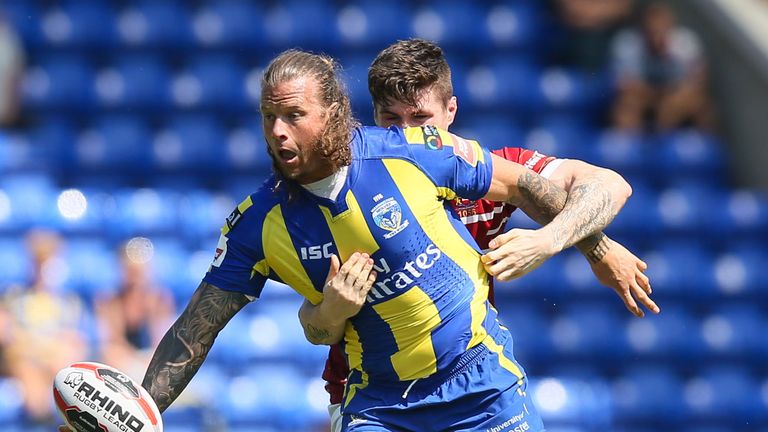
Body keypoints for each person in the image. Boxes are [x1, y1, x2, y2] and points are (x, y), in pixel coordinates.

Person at [140, 49, 633, 431]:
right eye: (270, 117)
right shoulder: (259, 223)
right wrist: (140, 410)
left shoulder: (429, 155)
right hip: (374, 401)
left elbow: (580, 185)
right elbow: (196, 331)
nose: (277, 132)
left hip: (480, 384)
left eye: (293, 116)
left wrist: (590, 247)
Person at [306, 38, 659, 432]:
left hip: (471, 390)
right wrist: (332, 309)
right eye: (391, 120)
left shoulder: (485, 173)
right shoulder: (338, 193)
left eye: (420, 119)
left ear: (451, 110)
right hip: (374, 402)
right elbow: (315, 325)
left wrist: (557, 241)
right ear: (373, 115)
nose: (406, 137)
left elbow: (609, 184)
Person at [2, 229, 88, 425]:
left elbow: (74, 340)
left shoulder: (68, 302)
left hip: (52, 362)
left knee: (63, 369)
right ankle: (40, 418)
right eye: (38, 262)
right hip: (25, 360)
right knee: (28, 372)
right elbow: (9, 337)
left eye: (48, 262)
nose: (43, 269)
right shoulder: (14, 296)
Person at [611, 2, 714, 131]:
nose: (656, 37)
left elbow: (698, 82)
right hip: (643, 96)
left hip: (675, 95)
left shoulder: (687, 43)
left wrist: (674, 97)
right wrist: (655, 95)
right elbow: (623, 85)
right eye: (652, 31)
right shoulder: (628, 44)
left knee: (700, 105)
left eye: (661, 30)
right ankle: (629, 148)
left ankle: (698, 146)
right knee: (626, 107)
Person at [95, 238, 175, 381]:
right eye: (131, 271)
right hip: (125, 359)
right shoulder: (110, 300)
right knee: (112, 355)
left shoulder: (159, 298)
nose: (135, 278)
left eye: (138, 272)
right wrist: (135, 361)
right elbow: (113, 341)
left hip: (149, 358)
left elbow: (161, 342)